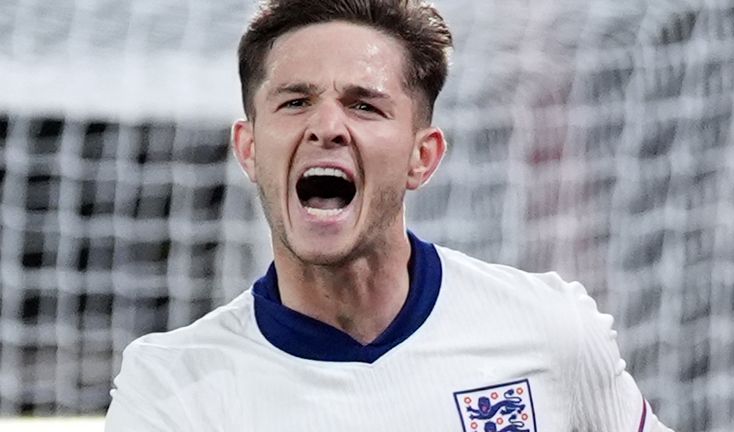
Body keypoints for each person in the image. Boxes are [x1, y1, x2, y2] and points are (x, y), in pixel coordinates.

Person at [105, 0, 673, 430]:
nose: (326, 126)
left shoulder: (551, 329)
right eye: (296, 101)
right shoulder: (172, 390)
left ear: (421, 158)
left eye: (364, 105)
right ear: (249, 149)